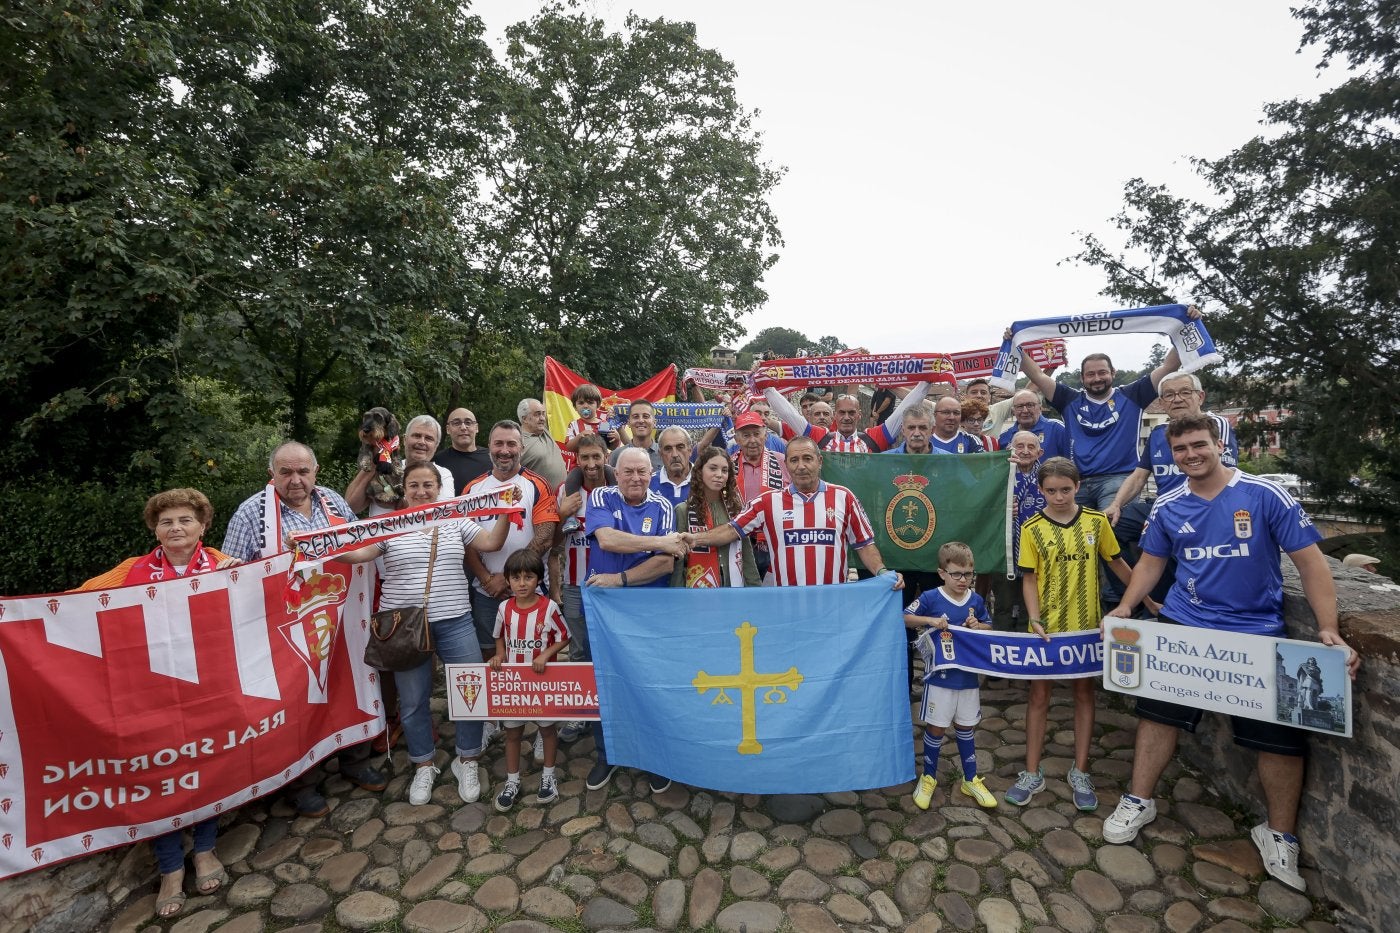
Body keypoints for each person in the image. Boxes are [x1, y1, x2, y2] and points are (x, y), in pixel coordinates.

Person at [1102, 414, 1360, 893]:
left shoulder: (1265, 495)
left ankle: (1279, 833)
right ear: (1172, 455)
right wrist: (1124, 605)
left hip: (1257, 631)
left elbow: (1310, 563)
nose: (1190, 455)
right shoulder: (1168, 505)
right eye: (1180, 450)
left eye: (1198, 445)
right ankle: (1139, 798)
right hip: (1185, 626)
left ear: (1218, 444)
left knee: (1278, 738)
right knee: (1157, 716)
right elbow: (1153, 561)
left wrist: (1328, 629)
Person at [77, 488, 236, 919]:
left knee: (204, 765)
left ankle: (204, 850)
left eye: (185, 520)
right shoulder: (132, 571)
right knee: (158, 773)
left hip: (206, 690)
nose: (176, 528)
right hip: (150, 695)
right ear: (155, 530)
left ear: (203, 526)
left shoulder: (226, 567)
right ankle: (169, 868)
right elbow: (74, 604)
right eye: (166, 522)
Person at [223, 442, 387, 815]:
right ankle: (302, 781)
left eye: (303, 472)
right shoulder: (252, 513)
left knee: (348, 685)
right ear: (273, 473)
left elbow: (362, 542)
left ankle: (355, 760)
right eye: (286, 472)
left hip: (339, 618)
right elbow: (233, 576)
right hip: (286, 627)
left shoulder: (331, 501)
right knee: (297, 698)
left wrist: (378, 544)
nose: (295, 480)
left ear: (315, 472)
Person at [336, 462, 511, 805]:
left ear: (438, 487)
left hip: (455, 619)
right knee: (414, 701)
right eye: (414, 485)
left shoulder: (455, 520)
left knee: (470, 690)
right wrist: (317, 544)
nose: (421, 491)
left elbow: (491, 543)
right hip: (404, 626)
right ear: (404, 489)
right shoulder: (389, 525)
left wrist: (506, 511)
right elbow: (358, 554)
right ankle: (423, 764)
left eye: (427, 485)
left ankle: (468, 759)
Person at [1006, 457, 1137, 812]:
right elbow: (1029, 578)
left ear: (1078, 487)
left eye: (1066, 489)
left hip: (1087, 627)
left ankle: (1080, 770)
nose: (1059, 496)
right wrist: (1033, 618)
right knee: (1038, 696)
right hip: (1048, 628)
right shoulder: (1032, 528)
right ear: (1041, 490)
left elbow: (1117, 563)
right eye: (1051, 490)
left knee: (1084, 694)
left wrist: (1143, 599)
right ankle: (1032, 772)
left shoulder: (1096, 523)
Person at [583, 447, 687, 793]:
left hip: (647, 611)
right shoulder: (601, 495)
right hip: (605, 609)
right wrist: (658, 542)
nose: (635, 478)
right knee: (605, 682)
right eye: (628, 471)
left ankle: (655, 757)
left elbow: (665, 564)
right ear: (616, 472)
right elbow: (607, 539)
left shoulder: (663, 506)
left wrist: (620, 578)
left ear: (651, 473)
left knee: (649, 682)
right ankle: (607, 755)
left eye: (642, 472)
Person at [682, 436, 905, 590]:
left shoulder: (844, 497)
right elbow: (731, 531)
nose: (801, 466)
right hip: (784, 603)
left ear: (819, 461)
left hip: (832, 600)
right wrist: (693, 538)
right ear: (786, 465)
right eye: (794, 460)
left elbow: (864, 545)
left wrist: (882, 572)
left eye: (807, 458)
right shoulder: (768, 502)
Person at [1016, 342, 1187, 510]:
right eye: (1090, 374)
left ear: (1113, 373)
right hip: (1077, 481)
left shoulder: (1132, 395)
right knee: (1073, 534)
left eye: (1102, 372)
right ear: (1082, 378)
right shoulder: (1069, 400)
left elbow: (1168, 367)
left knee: (1112, 530)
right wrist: (1015, 345)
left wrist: (1182, 329)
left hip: (1118, 479)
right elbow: (1037, 375)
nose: (1097, 378)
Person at [903, 541, 998, 810]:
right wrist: (930, 621)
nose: (962, 580)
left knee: (967, 727)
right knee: (936, 727)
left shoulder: (976, 600)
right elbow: (904, 617)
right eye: (956, 573)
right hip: (940, 677)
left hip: (967, 676)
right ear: (942, 573)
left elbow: (989, 626)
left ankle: (970, 779)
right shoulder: (932, 597)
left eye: (968, 574)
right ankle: (929, 777)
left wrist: (978, 625)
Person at [489, 548, 571, 811]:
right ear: (508, 580)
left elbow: (564, 636)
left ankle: (548, 776)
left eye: (528, 577)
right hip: (515, 683)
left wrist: (546, 655)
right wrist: (500, 655)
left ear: (538, 579)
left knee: (547, 729)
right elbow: (499, 635)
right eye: (516, 578)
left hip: (542, 682)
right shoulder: (504, 608)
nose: (522, 583)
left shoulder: (548, 609)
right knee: (512, 733)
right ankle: (512, 781)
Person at [1104, 373, 1239, 529]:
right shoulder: (1157, 433)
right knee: (1114, 522)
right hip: (1165, 506)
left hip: (1204, 505)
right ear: (1161, 403)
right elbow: (1138, 477)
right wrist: (1116, 504)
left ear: (1200, 397)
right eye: (1169, 395)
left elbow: (1229, 474)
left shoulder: (1215, 424)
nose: (1177, 399)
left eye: (1185, 392)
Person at [554, 433, 610, 745]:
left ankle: (610, 706)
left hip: (609, 583)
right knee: (577, 648)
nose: (590, 464)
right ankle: (580, 712)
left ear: (605, 456)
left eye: (595, 457)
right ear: (577, 461)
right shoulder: (566, 490)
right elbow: (551, 533)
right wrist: (561, 513)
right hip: (575, 582)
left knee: (608, 646)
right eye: (584, 458)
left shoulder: (616, 489)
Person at [672, 446, 761, 588]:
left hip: (734, 589)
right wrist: (676, 594)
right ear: (700, 471)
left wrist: (756, 589)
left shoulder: (736, 510)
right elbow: (678, 561)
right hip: (696, 592)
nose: (719, 474)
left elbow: (747, 555)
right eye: (713, 468)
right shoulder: (683, 510)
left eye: (724, 470)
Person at [766, 385, 931, 453]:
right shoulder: (819, 436)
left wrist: (926, 382)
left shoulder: (873, 438)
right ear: (835, 415)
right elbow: (789, 414)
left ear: (859, 415)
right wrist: (766, 387)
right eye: (842, 413)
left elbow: (903, 410)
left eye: (851, 413)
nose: (846, 418)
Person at [346, 415, 455, 515]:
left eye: (429, 438)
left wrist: (394, 500)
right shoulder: (384, 467)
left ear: (436, 446)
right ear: (404, 440)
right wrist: (375, 461)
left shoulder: (443, 474)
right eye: (416, 436)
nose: (422, 442)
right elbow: (350, 507)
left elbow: (442, 514)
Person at [996, 390, 1068, 462]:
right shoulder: (1004, 437)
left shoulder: (1056, 429)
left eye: (1030, 405)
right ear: (1013, 411)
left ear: (1040, 408)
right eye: (1019, 406)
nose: (1025, 410)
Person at [436, 408, 493, 492]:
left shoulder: (493, 457)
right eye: (456, 423)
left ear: (476, 428)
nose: (463, 427)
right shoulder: (437, 462)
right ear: (448, 429)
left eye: (468, 422)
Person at [519, 398, 567, 490]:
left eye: (543, 414)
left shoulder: (544, 430)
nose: (542, 418)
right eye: (537, 414)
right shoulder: (517, 442)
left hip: (562, 498)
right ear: (524, 419)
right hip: (540, 501)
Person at [563, 383, 622, 453]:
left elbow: (611, 447)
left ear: (598, 405)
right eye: (581, 403)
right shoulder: (573, 425)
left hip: (601, 463)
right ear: (575, 407)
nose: (585, 406)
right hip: (579, 463)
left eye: (590, 403)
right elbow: (569, 447)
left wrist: (617, 438)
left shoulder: (604, 424)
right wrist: (579, 437)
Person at [610, 398, 664, 471]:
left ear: (654, 422)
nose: (641, 420)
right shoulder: (617, 455)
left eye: (646, 416)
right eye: (636, 417)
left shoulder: (664, 453)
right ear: (628, 423)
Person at [650, 426, 693, 511]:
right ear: (660, 454)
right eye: (668, 449)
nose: (675, 455)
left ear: (690, 450)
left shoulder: (705, 481)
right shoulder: (649, 483)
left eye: (680, 447)